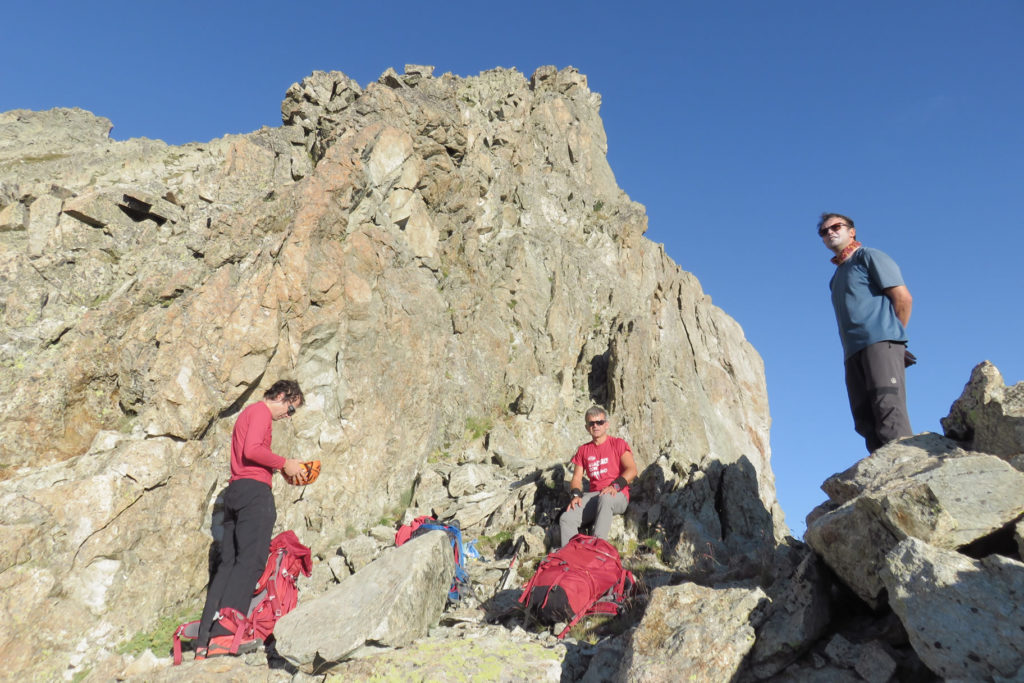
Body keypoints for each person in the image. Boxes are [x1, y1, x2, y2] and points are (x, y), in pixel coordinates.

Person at [195, 380, 305, 659]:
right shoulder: (260, 412)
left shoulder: (246, 414)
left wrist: (276, 469)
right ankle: (225, 635)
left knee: (228, 565)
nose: (288, 416)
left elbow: (249, 455)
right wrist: (285, 464)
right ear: (281, 396)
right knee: (251, 561)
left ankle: (203, 639)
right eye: (290, 408)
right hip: (254, 494)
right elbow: (253, 450)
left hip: (235, 492)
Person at [819, 212, 914, 452]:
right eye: (824, 231)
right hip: (852, 352)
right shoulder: (836, 277)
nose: (830, 232)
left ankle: (903, 466)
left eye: (836, 226)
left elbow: (903, 298)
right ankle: (881, 473)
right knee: (864, 416)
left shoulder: (869, 256)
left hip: (880, 342)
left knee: (887, 404)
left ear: (852, 231)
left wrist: (893, 338)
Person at [559, 406, 638, 547]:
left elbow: (632, 470)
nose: (595, 426)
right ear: (586, 427)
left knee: (606, 497)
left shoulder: (618, 444)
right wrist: (576, 495)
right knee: (566, 517)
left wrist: (615, 485)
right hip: (594, 495)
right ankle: (570, 558)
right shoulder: (583, 450)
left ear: (606, 425)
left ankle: (597, 548)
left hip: (617, 494)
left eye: (600, 422)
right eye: (591, 423)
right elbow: (577, 478)